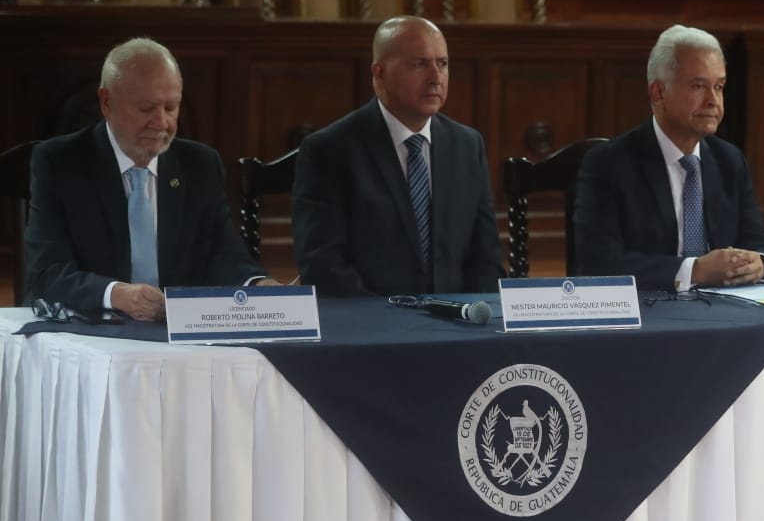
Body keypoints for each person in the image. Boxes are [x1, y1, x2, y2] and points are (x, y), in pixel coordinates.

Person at [25, 38, 267, 321]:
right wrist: (117, 294)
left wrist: (259, 285)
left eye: (171, 107)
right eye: (147, 108)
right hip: (93, 331)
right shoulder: (60, 162)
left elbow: (224, 255)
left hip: (179, 335)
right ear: (107, 102)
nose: (161, 122)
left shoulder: (199, 165)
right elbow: (46, 272)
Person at [292, 16, 503, 296]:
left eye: (442, 63)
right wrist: (389, 321)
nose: (435, 78)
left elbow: (486, 256)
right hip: (372, 324)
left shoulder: (467, 144)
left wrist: (476, 315)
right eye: (419, 64)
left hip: (458, 321)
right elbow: (322, 262)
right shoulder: (329, 149)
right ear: (379, 73)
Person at [573, 24, 764, 291]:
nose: (713, 101)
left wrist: (760, 263)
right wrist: (694, 271)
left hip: (724, 314)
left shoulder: (729, 161)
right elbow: (597, 264)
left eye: (719, 87)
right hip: (649, 316)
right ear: (658, 93)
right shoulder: (609, 164)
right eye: (698, 86)